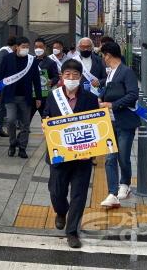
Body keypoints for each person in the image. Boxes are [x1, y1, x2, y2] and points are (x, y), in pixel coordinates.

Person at [42, 59, 100, 249]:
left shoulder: (90, 99)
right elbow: (46, 116)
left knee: (79, 194)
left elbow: (97, 126)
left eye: (75, 75)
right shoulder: (53, 96)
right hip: (59, 155)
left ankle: (72, 231)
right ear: (62, 76)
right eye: (68, 75)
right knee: (56, 191)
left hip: (82, 157)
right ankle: (61, 211)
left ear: (81, 77)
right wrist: (47, 125)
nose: (71, 78)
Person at [98, 42, 140, 209]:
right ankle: (112, 193)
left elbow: (133, 95)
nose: (103, 59)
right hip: (110, 122)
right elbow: (108, 91)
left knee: (123, 156)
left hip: (125, 121)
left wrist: (112, 105)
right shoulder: (111, 73)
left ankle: (125, 184)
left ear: (108, 55)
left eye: (103, 55)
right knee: (110, 158)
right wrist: (101, 98)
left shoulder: (126, 71)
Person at [0, 36, 42, 159]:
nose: (25, 49)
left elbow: (37, 80)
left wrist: (38, 97)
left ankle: (22, 148)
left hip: (25, 97)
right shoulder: (7, 59)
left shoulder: (32, 61)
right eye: (23, 46)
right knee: (10, 120)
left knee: (25, 124)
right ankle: (12, 143)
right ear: (17, 47)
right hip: (10, 96)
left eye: (27, 47)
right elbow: (1, 77)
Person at [31, 37, 60, 120]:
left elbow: (56, 76)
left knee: (46, 120)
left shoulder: (51, 62)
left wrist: (51, 81)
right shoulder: (30, 61)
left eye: (40, 47)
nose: (38, 49)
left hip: (44, 95)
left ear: (45, 47)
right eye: (36, 47)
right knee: (25, 121)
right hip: (31, 95)